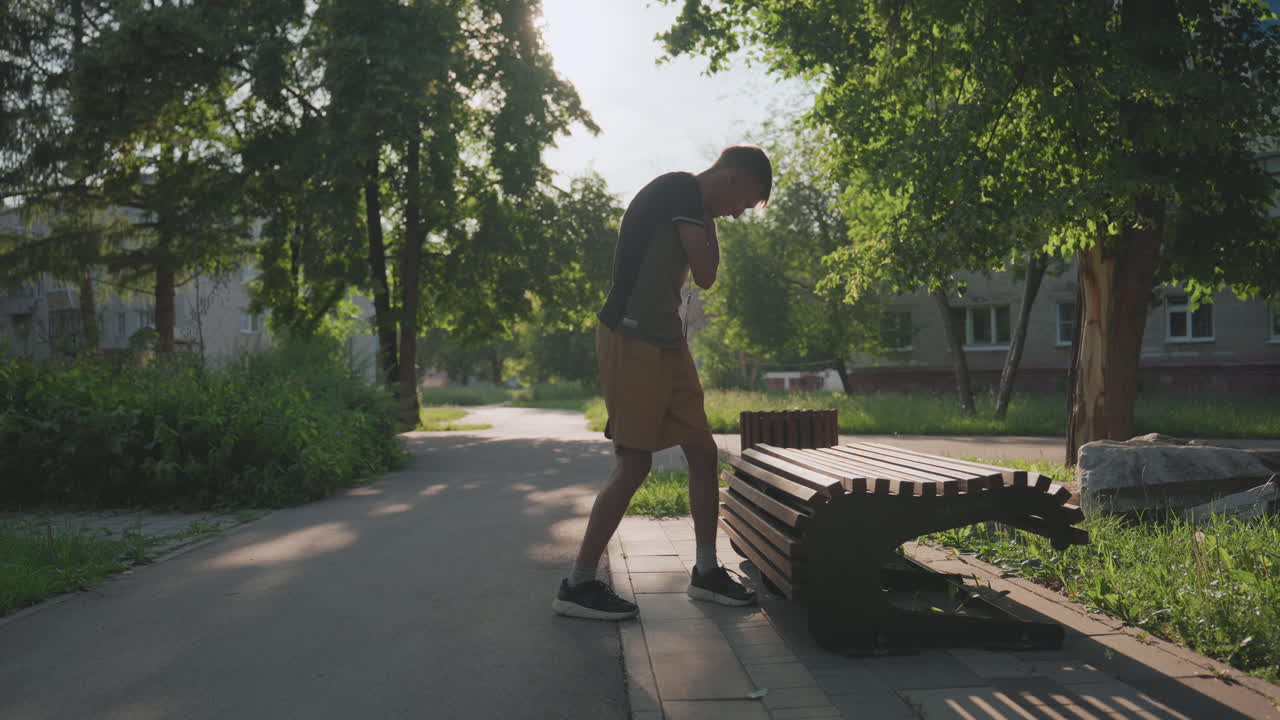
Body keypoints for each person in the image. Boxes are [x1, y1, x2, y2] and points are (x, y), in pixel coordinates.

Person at [552, 145, 773, 620]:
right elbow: (709, 273)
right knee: (634, 464)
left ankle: (706, 572)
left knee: (702, 452)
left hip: (667, 345)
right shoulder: (680, 191)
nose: (737, 214)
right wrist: (712, 224)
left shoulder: (694, 205)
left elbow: (702, 274)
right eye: (745, 202)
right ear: (733, 177)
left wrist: (711, 223)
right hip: (630, 338)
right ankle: (578, 583)